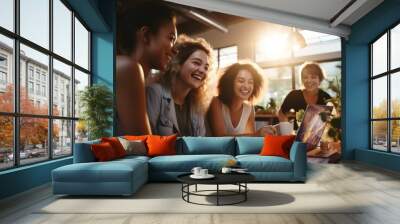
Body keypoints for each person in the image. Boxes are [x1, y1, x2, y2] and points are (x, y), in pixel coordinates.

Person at [116, 1, 177, 135]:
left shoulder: (135, 73)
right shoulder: (129, 68)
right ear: (146, 35)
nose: (175, 50)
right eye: (171, 38)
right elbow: (144, 145)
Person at [146, 35, 213, 136]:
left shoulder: (197, 106)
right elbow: (147, 140)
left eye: (206, 67)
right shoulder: (155, 92)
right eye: (196, 63)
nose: (202, 70)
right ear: (177, 63)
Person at [208, 61, 275, 136]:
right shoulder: (216, 102)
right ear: (230, 82)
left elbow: (249, 140)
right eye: (241, 81)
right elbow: (220, 137)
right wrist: (256, 134)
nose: (246, 86)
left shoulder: (249, 108)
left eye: (250, 82)